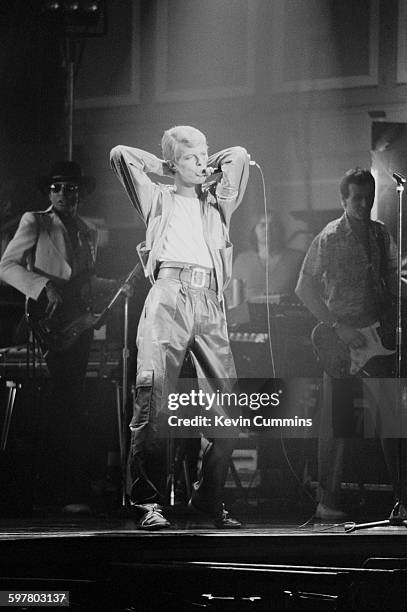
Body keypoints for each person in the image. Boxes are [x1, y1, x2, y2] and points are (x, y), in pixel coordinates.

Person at [110, 125, 249, 529]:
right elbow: (121, 153)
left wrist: (205, 163)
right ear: (173, 164)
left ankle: (208, 500)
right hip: (168, 296)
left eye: (204, 155)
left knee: (228, 408)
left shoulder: (218, 203)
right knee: (152, 397)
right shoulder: (158, 199)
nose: (202, 162)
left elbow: (238, 153)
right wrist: (167, 165)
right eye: (192, 157)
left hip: (209, 302)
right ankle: (146, 502)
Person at [0, 161, 117, 512]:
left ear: (80, 193)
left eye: (71, 188)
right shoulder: (35, 221)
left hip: (77, 326)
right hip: (45, 323)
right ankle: (47, 488)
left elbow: (85, 280)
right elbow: (7, 266)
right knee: (52, 402)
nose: (65, 194)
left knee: (72, 403)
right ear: (49, 192)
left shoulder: (86, 230)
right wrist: (42, 286)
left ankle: (69, 486)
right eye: (58, 188)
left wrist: (115, 286)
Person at [296, 167, 406, 520]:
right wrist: (337, 326)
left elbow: (393, 282)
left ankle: (403, 501)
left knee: (392, 425)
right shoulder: (329, 236)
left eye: (368, 197)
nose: (363, 204)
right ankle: (327, 504)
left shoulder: (381, 233)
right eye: (356, 198)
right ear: (343, 199)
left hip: (378, 340)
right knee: (338, 428)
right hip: (343, 343)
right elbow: (304, 287)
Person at [232, 212, 304, 299]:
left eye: (273, 225)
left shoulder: (297, 259)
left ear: (280, 229)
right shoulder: (242, 261)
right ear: (254, 230)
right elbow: (232, 298)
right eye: (262, 225)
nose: (267, 229)